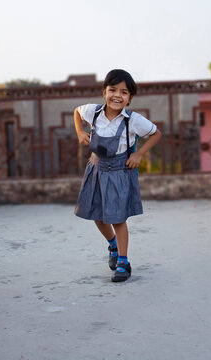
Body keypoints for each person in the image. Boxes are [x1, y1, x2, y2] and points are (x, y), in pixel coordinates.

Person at [74, 69, 162, 282]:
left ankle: (123, 261)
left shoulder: (132, 120)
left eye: (124, 92)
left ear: (130, 98)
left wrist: (139, 153)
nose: (117, 95)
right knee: (97, 214)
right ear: (104, 92)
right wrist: (79, 132)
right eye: (112, 90)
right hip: (96, 170)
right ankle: (113, 245)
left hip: (119, 172)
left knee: (118, 218)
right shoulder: (93, 112)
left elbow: (156, 134)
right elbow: (76, 111)